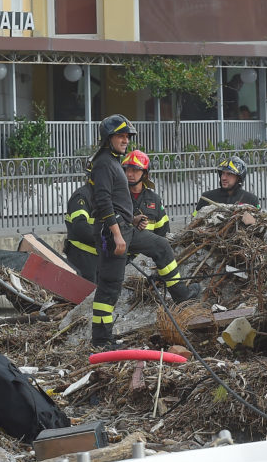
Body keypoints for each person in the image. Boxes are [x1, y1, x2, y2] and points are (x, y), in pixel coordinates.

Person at [87, 115, 199, 348]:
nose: (126, 140)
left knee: (161, 246)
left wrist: (132, 218)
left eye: (127, 136)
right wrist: (117, 234)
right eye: (121, 136)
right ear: (108, 138)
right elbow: (104, 202)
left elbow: (117, 202)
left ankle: (181, 296)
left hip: (125, 227)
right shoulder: (103, 163)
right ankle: (101, 339)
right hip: (112, 232)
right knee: (110, 286)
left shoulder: (114, 161)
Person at [123, 149, 171, 237]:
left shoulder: (154, 199)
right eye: (127, 170)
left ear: (145, 174)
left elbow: (163, 232)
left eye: (134, 170)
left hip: (149, 250)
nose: (129, 174)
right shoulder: (118, 197)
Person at [195, 155, 260, 212]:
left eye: (229, 174)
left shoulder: (252, 200)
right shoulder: (207, 197)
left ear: (238, 178)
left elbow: (261, 218)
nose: (223, 178)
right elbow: (194, 216)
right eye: (223, 173)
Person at [62, 183, 97, 284]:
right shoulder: (82, 196)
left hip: (101, 258)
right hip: (83, 258)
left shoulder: (107, 195)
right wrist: (105, 238)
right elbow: (81, 227)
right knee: (87, 293)